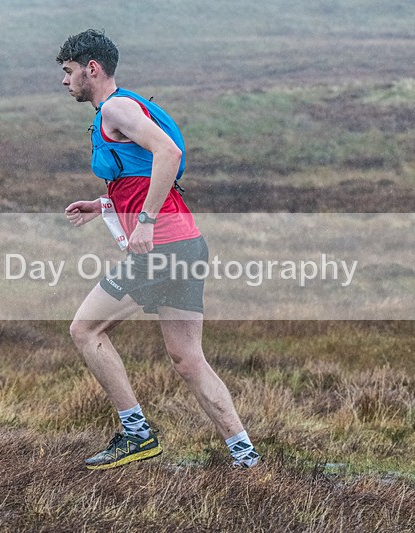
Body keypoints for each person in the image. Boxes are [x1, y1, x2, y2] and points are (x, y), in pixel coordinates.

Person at [57, 29, 260, 470]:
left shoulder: (116, 107)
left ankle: (137, 434)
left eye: (69, 71)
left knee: (84, 330)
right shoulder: (125, 106)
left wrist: (145, 223)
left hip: (163, 248)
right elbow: (143, 171)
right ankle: (246, 459)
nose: (65, 81)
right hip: (187, 245)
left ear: (92, 69)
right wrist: (106, 203)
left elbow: (167, 153)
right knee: (188, 359)